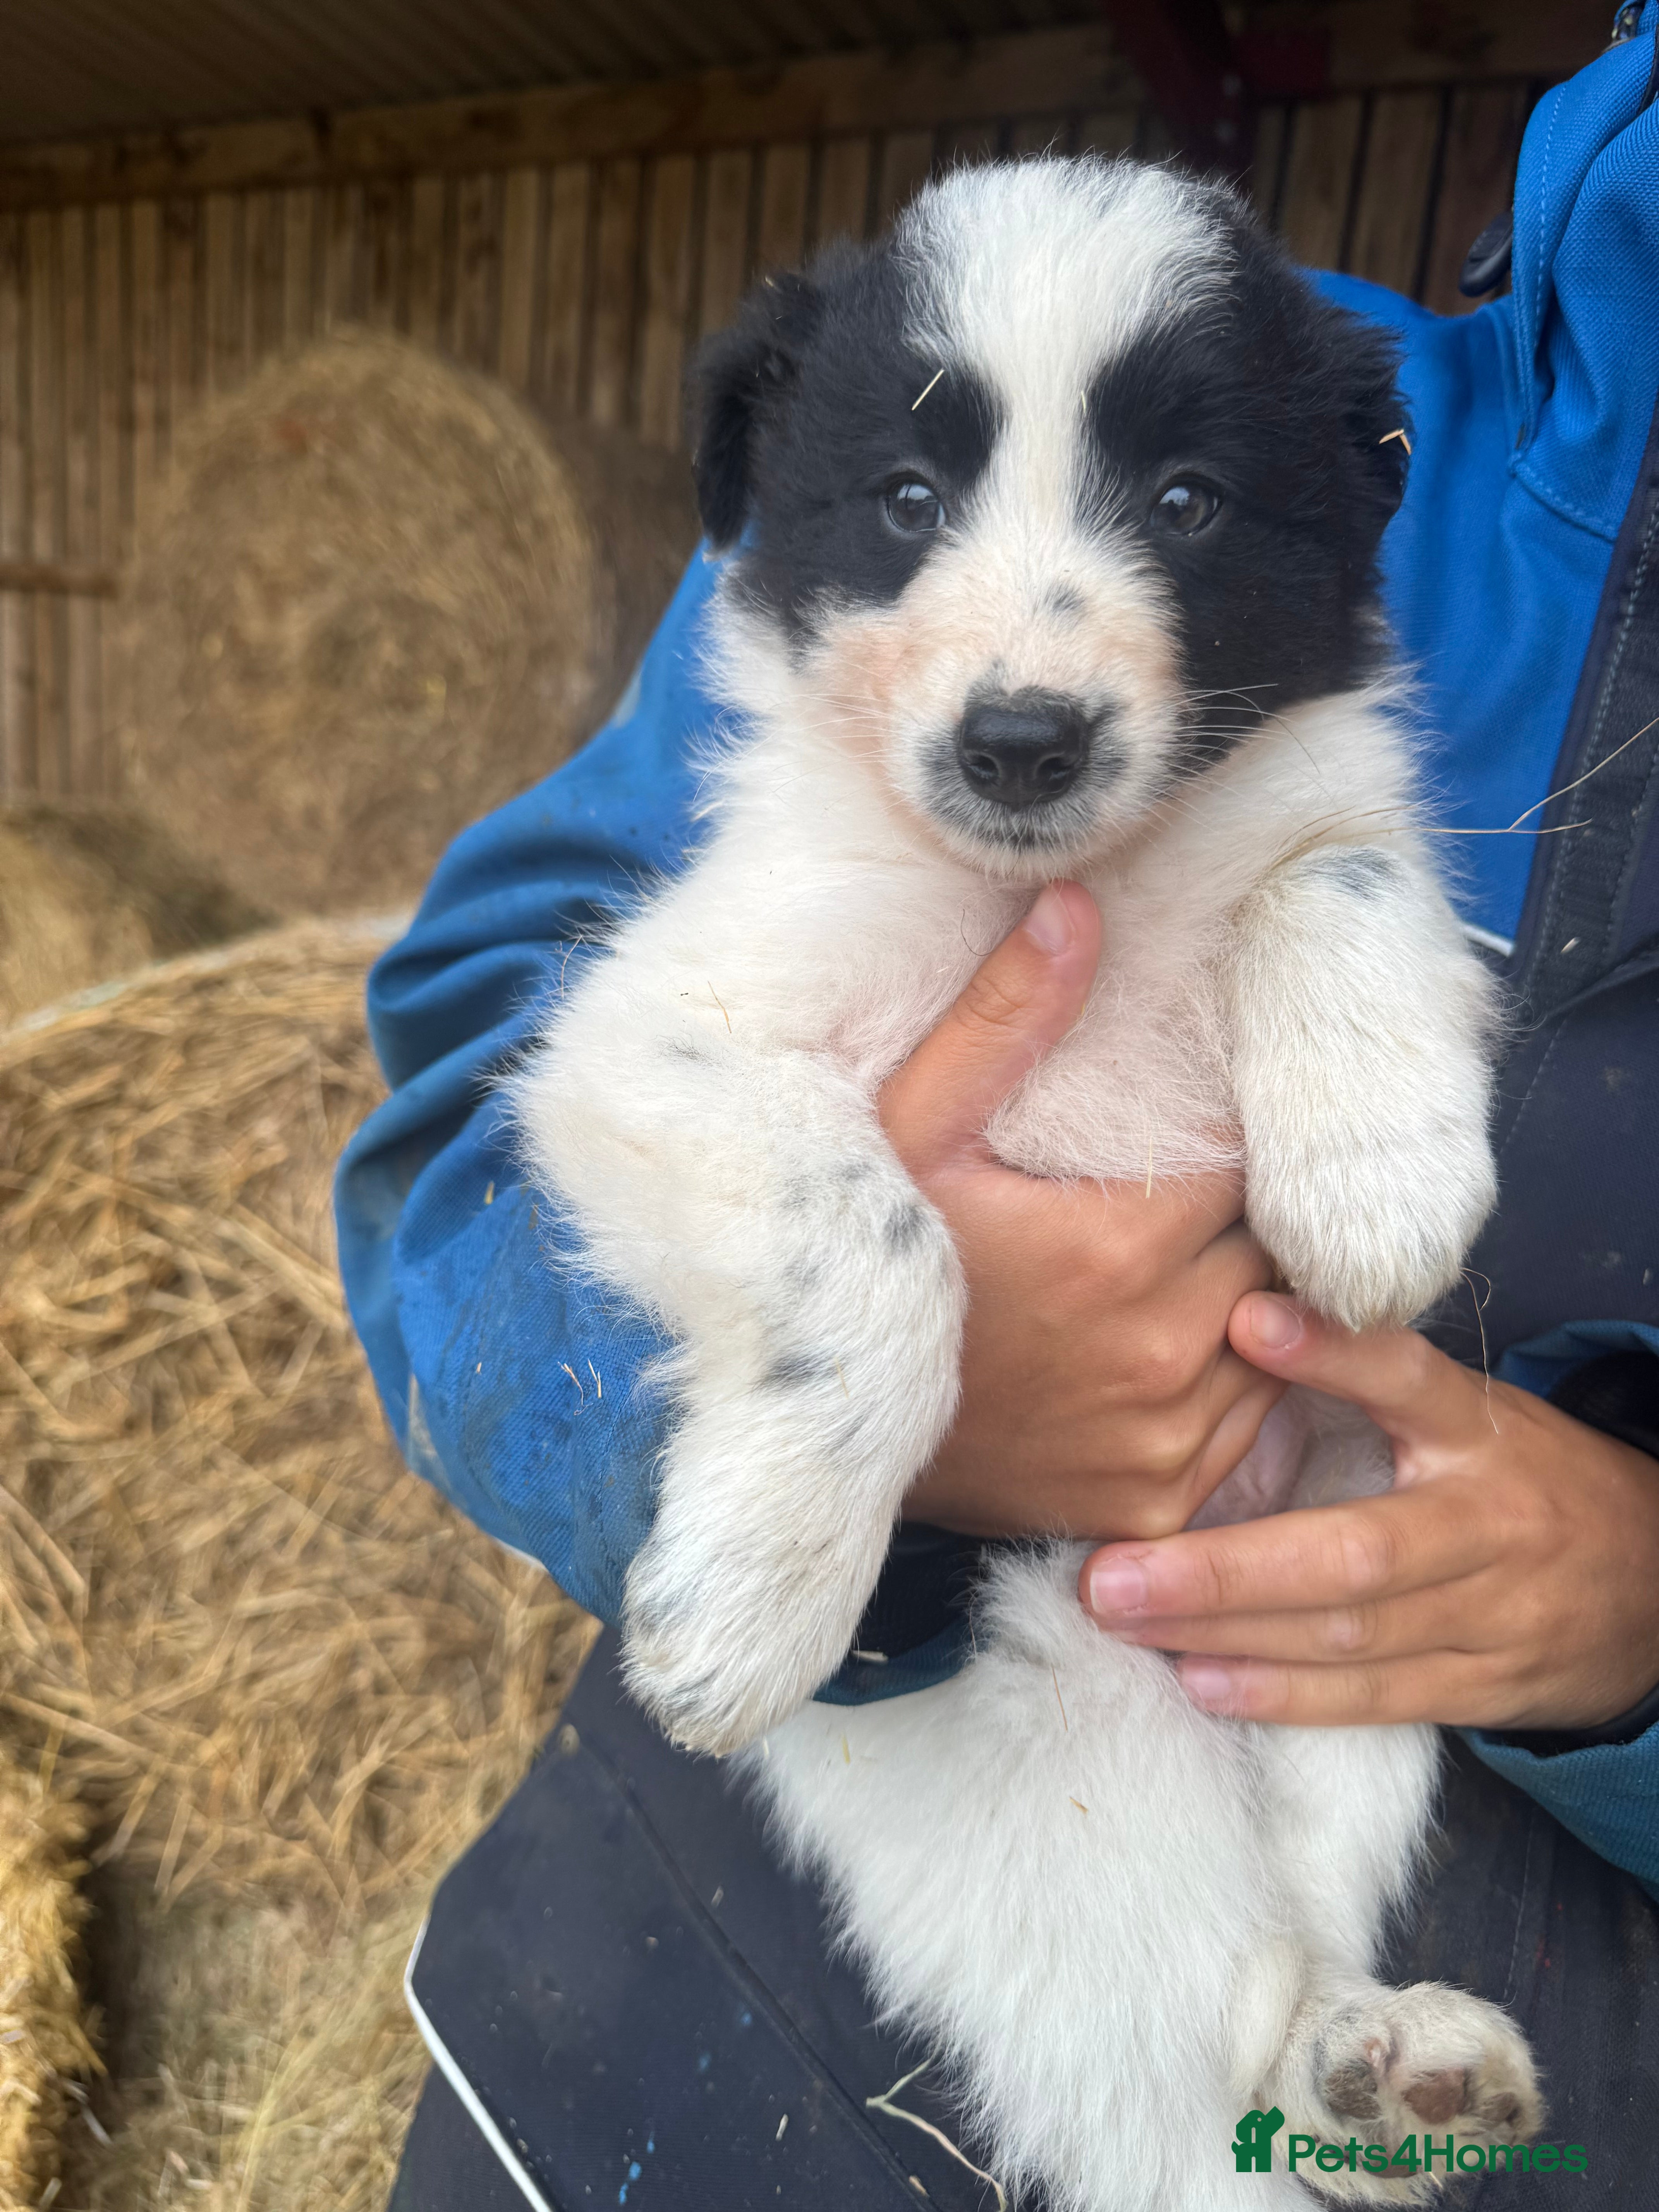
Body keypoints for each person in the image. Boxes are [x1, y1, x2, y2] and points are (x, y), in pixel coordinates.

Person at [341, 10, 1659, 2205]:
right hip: (738, 1978)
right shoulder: (846, 759)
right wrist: (856, 1401)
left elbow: (1341, 912)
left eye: (1173, 500)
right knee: (1073, 1814)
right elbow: (568, 1083)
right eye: (918, 497)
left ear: (1330, 503)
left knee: (1325, 1781)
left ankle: (1290, 2058)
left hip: (1382, 1712)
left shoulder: (1314, 722)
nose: (1029, 653)